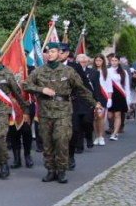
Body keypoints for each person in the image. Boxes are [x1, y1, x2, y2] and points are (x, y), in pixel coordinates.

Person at [23, 42, 99, 184]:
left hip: (63, 111)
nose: (50, 54)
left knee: (61, 140)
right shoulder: (39, 71)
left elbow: (82, 89)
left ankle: (62, 170)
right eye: (48, 52)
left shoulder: (68, 71)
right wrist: (41, 89)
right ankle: (51, 170)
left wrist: (95, 103)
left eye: (53, 51)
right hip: (45, 112)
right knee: (47, 142)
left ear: (59, 53)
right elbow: (26, 85)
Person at [0, 49, 29, 180]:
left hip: (2, 111)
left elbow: (16, 92)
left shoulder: (7, 73)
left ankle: (3, 163)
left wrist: (24, 109)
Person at [59, 45, 94, 170]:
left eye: (61, 52)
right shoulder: (49, 67)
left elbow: (85, 84)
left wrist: (93, 100)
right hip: (55, 105)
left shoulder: (75, 67)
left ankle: (70, 155)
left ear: (67, 53)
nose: (58, 54)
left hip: (72, 103)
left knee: (73, 130)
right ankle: (58, 159)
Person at [107, 55, 131, 141]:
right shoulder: (107, 71)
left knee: (118, 114)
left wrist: (128, 100)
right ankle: (114, 127)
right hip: (110, 95)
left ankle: (115, 133)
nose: (114, 62)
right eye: (112, 60)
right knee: (110, 116)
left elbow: (126, 86)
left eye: (115, 60)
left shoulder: (123, 72)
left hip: (120, 95)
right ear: (110, 62)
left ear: (118, 61)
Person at [91, 54, 112, 146]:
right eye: (96, 60)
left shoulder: (106, 72)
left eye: (100, 60)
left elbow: (109, 86)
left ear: (103, 61)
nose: (98, 62)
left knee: (101, 117)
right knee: (94, 118)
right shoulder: (91, 71)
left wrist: (110, 98)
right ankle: (96, 136)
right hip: (93, 97)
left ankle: (101, 136)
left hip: (103, 96)